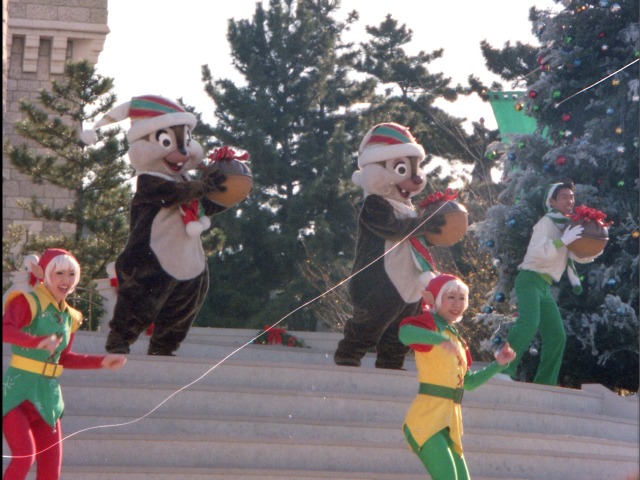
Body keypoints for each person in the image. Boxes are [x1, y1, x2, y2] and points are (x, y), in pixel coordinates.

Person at [2, 248, 127, 480]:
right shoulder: (27, 302)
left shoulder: (70, 316)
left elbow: (64, 358)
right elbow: (5, 329)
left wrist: (103, 362)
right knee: (24, 457)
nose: (66, 280)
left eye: (71, 274)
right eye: (59, 273)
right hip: (17, 393)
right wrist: (35, 342)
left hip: (48, 397)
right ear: (46, 273)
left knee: (51, 471)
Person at [399, 273, 515, 480]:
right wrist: (437, 339)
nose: (457, 303)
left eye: (462, 298)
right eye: (450, 297)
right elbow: (405, 333)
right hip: (426, 420)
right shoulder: (430, 324)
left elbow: (468, 383)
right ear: (436, 299)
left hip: (449, 422)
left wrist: (498, 365)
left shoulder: (457, 339)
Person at [503, 181, 596, 386]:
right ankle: (502, 370)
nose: (569, 201)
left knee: (556, 336)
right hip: (529, 280)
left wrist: (594, 246)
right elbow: (538, 251)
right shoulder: (546, 222)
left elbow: (576, 255)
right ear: (552, 201)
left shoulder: (568, 225)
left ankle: (545, 383)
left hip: (544, 286)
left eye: (571, 197)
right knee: (528, 324)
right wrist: (563, 241)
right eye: (564, 197)